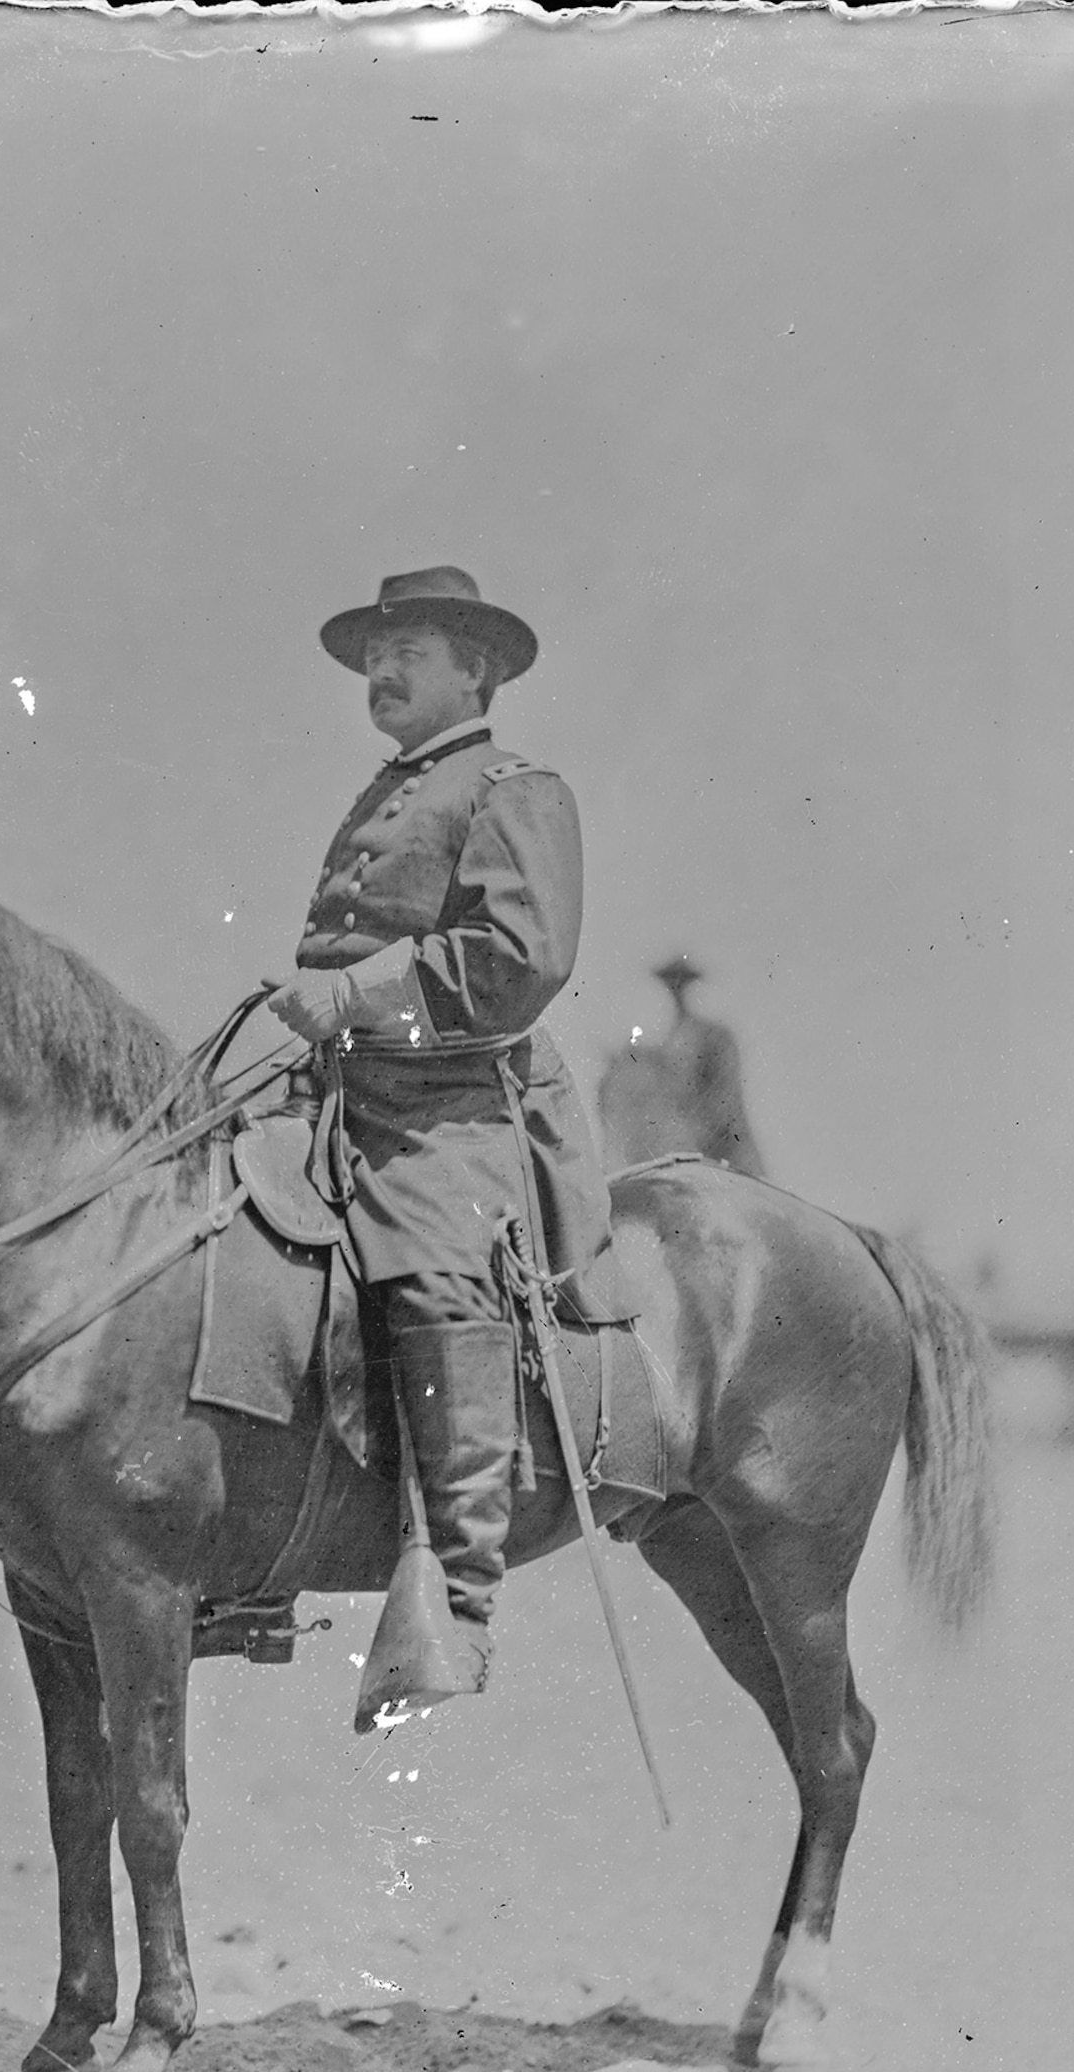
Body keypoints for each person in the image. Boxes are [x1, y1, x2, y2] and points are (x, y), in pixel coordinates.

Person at [266, 566, 619, 1719]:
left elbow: (522, 961)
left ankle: (457, 1603)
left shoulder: (516, 787)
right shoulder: (389, 791)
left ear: (478, 669)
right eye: (375, 652)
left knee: (429, 1266)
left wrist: (365, 994)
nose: (382, 671)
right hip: (335, 1093)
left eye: (408, 650)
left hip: (451, 1101)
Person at [599, 953, 766, 1177]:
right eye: (671, 983)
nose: (675, 989)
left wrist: (703, 1129)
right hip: (676, 1138)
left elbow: (725, 1098)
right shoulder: (660, 1046)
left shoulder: (712, 1035)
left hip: (715, 1140)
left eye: (680, 982)